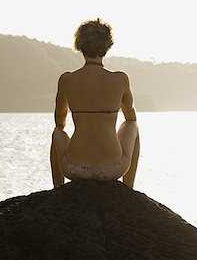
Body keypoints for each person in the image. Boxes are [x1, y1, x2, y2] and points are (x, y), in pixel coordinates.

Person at [50, 18, 140, 188]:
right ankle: (128, 189)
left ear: (80, 45)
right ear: (107, 46)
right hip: (112, 168)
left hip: (74, 168)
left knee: (57, 133)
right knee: (132, 125)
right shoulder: (120, 78)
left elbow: (59, 122)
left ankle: (58, 189)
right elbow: (130, 116)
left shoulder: (67, 79)